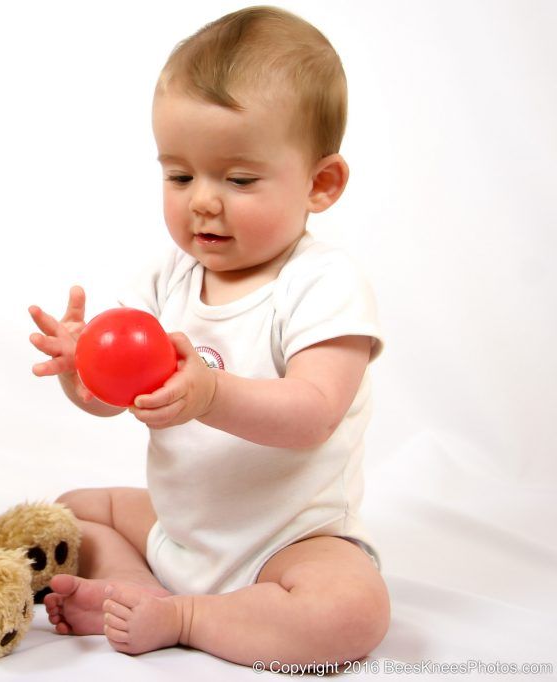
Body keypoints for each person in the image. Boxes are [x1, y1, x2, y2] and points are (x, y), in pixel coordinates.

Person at [27, 6, 390, 668]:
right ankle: (133, 594)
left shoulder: (323, 282)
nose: (202, 200)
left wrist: (210, 395)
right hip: (182, 533)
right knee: (72, 511)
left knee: (352, 612)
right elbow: (117, 399)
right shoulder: (166, 279)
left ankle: (188, 617)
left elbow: (313, 414)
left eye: (239, 178)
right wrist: (84, 376)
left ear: (320, 183)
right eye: (180, 174)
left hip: (288, 543)